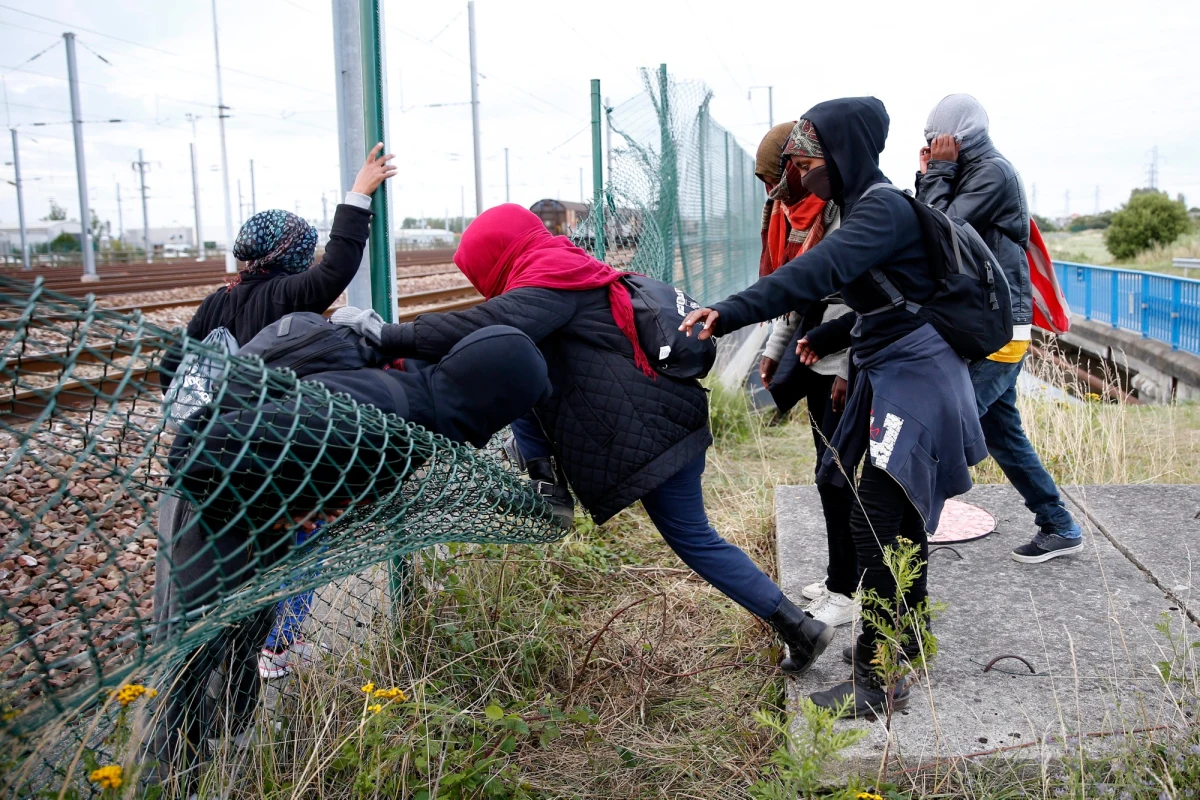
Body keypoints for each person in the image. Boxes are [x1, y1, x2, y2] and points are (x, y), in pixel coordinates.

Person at [332, 203, 834, 676]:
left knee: (694, 539)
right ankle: (797, 625)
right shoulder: (562, 264)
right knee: (521, 369)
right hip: (665, 415)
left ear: (497, 256)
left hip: (648, 431)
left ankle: (800, 627)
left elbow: (488, 324)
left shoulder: (549, 285)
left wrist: (387, 337)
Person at [680, 98, 988, 717]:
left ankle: (875, 680)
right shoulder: (864, 207)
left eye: (807, 157)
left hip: (917, 378)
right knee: (893, 514)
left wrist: (730, 311)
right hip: (895, 368)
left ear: (841, 154)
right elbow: (889, 297)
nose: (799, 169)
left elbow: (815, 271)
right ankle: (913, 633)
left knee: (872, 517)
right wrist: (826, 337)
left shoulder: (880, 209)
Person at [152, 322, 551, 778]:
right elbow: (197, 445)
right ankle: (169, 776)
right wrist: (283, 507)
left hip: (254, 520)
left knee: (245, 632)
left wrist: (307, 503)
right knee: (190, 654)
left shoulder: (424, 409)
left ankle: (229, 742)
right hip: (209, 509)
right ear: (494, 403)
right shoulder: (376, 422)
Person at [917, 94, 1082, 564]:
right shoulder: (967, 171)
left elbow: (938, 229)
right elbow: (923, 222)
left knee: (943, 425)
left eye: (938, 140)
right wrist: (931, 173)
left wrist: (937, 174)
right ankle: (1058, 524)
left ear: (960, 137)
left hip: (1002, 330)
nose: (932, 147)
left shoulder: (993, 173)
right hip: (984, 325)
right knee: (1003, 435)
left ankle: (906, 535)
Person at [158, 142, 397, 387]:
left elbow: (169, 366)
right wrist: (359, 194)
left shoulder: (215, 302)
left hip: (215, 417)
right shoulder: (285, 294)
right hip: (267, 415)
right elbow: (336, 266)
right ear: (292, 252)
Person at [752, 122, 858, 627]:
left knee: (840, 477)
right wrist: (775, 349)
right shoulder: (796, 216)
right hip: (820, 353)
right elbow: (797, 293)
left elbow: (854, 299)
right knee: (828, 470)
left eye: (778, 176)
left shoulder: (842, 211)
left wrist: (844, 370)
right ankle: (845, 577)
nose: (772, 192)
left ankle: (848, 586)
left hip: (842, 361)